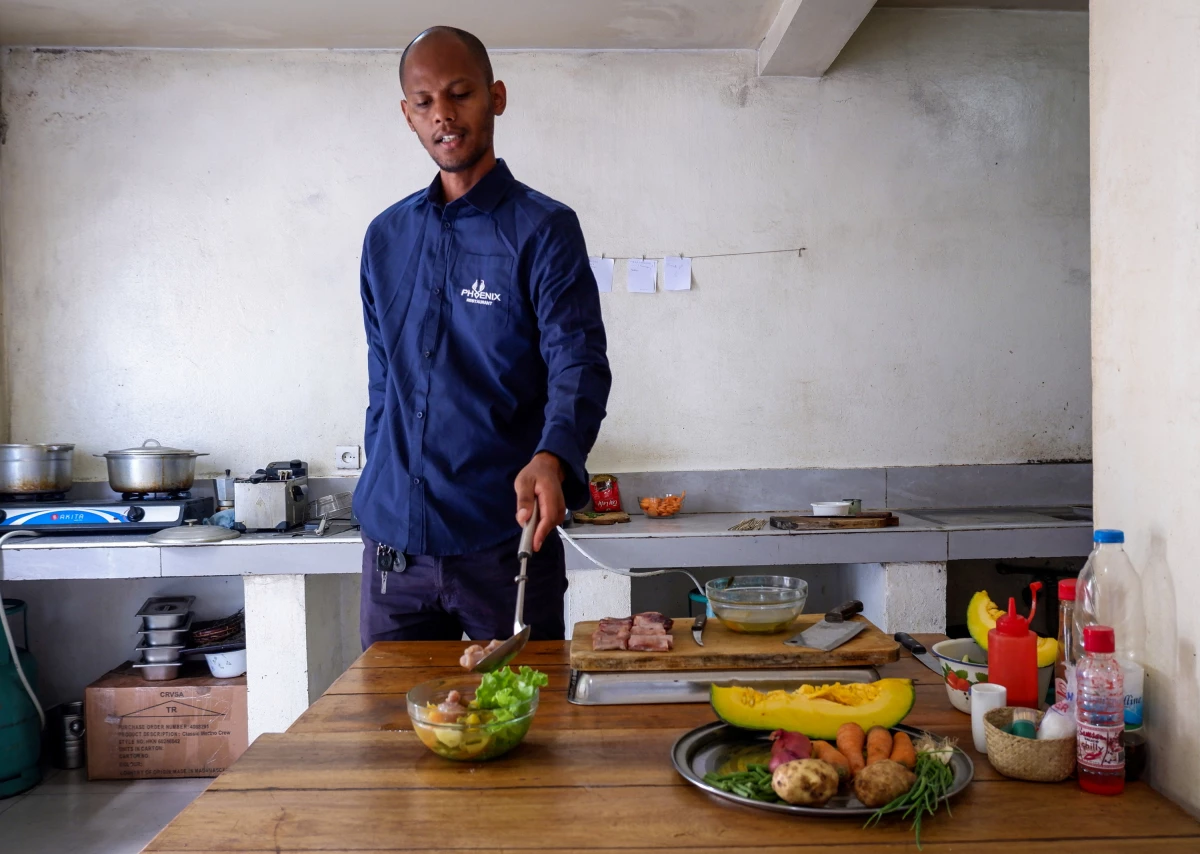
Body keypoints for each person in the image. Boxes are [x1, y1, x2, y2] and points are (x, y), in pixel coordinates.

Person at [354, 26, 611, 648]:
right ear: (408, 115)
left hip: (504, 540)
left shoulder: (544, 230)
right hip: (395, 548)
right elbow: (384, 381)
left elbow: (578, 362)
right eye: (424, 102)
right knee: (389, 708)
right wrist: (380, 474)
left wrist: (553, 456)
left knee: (523, 704)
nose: (442, 113)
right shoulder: (385, 238)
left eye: (460, 93)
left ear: (496, 97)